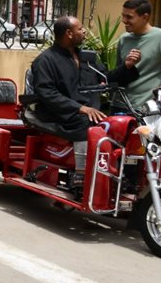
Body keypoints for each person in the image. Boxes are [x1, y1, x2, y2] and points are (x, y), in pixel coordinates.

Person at [29, 16, 138, 193]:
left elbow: (106, 78)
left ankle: (116, 174)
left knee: (118, 125)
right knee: (85, 123)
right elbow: (47, 93)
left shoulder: (87, 57)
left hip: (88, 110)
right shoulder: (45, 60)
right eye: (80, 29)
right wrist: (80, 108)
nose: (85, 31)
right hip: (59, 112)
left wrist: (127, 67)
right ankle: (81, 176)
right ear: (69, 33)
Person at [115, 0, 161, 108]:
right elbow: (118, 71)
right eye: (123, 16)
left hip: (148, 107)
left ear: (145, 17)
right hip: (120, 105)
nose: (124, 20)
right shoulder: (123, 39)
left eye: (129, 17)